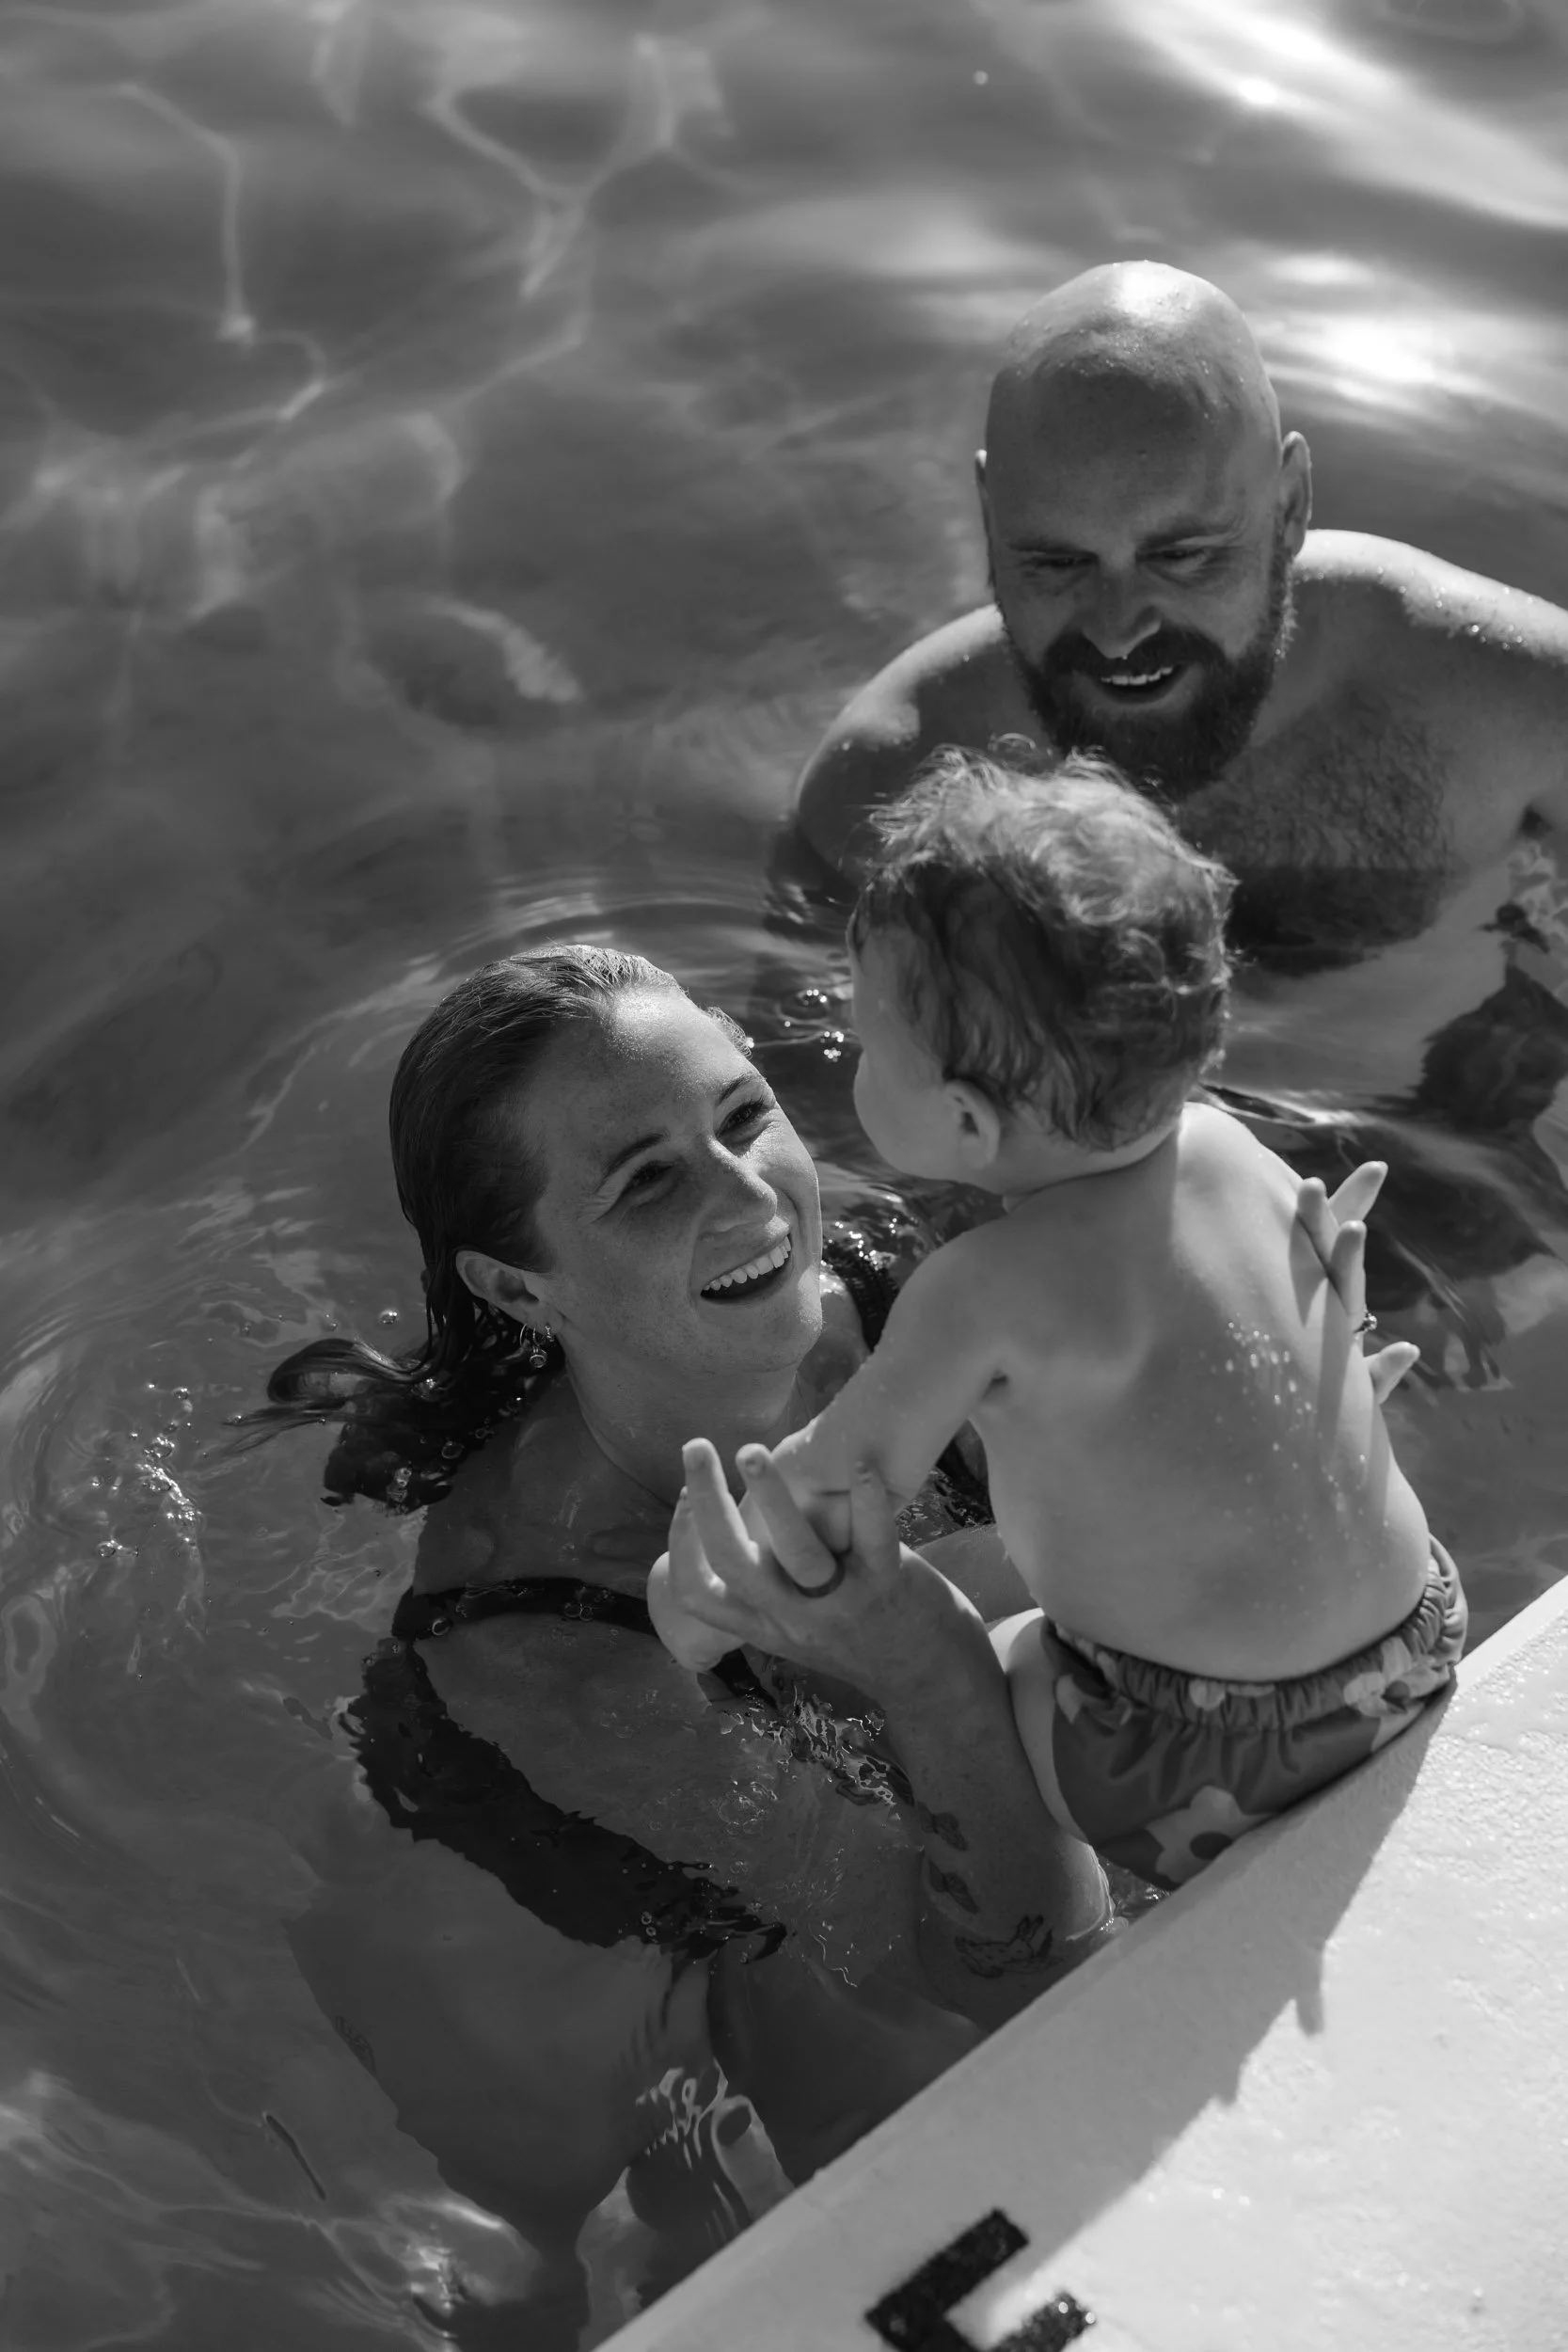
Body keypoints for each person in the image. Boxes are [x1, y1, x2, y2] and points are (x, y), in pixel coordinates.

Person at [254, 941, 1114, 2346]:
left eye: (742, 1116)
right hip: (579, 1879)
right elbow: (1016, 1982)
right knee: (813, 2104)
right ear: (519, 1288)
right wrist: (924, 1665)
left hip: (856, 1753)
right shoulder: (552, 1654)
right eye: (646, 1181)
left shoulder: (906, 1289)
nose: (750, 1196)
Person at [657, 753, 1465, 1893]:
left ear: (965, 1123)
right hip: (1413, 1639)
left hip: (1204, 1764)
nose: (849, 1060)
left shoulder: (981, 1287)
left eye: (869, 1046)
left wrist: (695, 1601)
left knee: (966, 1677)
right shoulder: (1228, 1148)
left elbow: (832, 1497)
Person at [785, 259, 1568, 1356]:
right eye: (1055, 561)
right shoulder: (889, 779)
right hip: (1068, 1260)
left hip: (1444, 1169)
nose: (1117, 628)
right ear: (987, 517)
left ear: (1288, 504)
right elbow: (817, 1137)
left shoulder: (1502, 700)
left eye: (1181, 554)